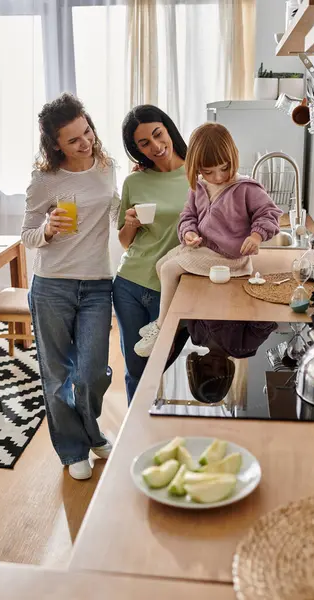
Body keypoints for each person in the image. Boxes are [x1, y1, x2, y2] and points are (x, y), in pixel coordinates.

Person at [21, 93, 119, 480]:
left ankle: (91, 432)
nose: (86, 142)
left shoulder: (107, 165)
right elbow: (26, 235)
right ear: (55, 144)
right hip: (52, 286)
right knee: (58, 375)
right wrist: (46, 230)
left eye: (87, 131)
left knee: (92, 372)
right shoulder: (44, 179)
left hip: (97, 283)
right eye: (74, 139)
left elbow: (110, 207)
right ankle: (74, 448)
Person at [134, 122, 283, 357]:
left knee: (169, 270)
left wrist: (256, 236)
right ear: (197, 167)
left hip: (229, 258)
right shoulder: (199, 187)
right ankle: (166, 321)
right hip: (204, 249)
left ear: (232, 158)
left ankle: (163, 329)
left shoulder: (246, 188)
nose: (218, 176)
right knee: (161, 264)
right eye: (208, 171)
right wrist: (189, 233)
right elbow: (187, 216)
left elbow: (270, 214)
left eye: (224, 168)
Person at [113, 105, 189, 404]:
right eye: (144, 143)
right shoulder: (135, 181)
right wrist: (130, 224)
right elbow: (124, 242)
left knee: (166, 365)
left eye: (158, 134)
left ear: (168, 128)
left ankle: (163, 428)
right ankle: (137, 439)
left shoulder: (197, 173)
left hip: (174, 290)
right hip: (130, 284)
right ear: (136, 149)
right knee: (135, 368)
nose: (156, 147)